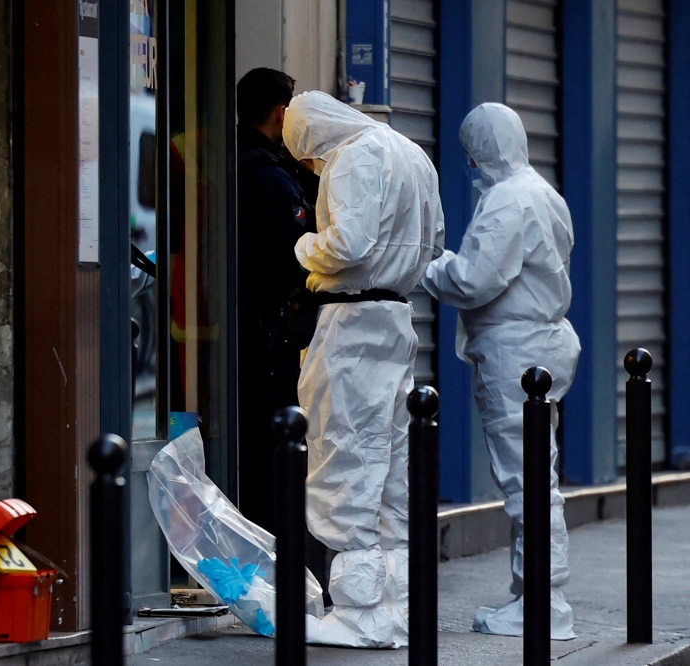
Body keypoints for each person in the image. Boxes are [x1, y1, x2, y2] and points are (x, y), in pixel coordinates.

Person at [283, 90, 445, 648]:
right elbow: (437, 240)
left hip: (349, 319)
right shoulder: (411, 152)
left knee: (343, 455)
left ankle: (357, 611)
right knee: (392, 467)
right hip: (396, 316)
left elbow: (347, 244)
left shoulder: (351, 155)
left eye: (304, 156)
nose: (309, 166)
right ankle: (400, 604)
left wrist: (306, 245)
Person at [421, 102, 580, 640]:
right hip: (542, 344)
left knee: (525, 481)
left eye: (471, 154)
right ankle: (538, 594)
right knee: (538, 474)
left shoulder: (507, 201)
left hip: (515, 352)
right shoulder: (544, 193)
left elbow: (471, 280)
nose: (470, 165)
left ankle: (542, 600)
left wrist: (427, 263)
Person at [235, 68, 317, 532]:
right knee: (278, 455)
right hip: (271, 338)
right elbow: (302, 255)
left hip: (254, 332)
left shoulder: (246, 161)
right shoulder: (267, 174)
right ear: (282, 113)